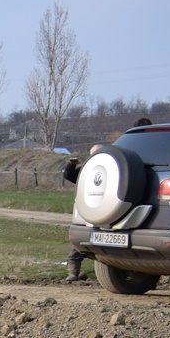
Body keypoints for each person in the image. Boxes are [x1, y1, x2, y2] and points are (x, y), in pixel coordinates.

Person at [61, 118, 151, 281]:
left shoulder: (114, 168)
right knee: (83, 242)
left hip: (109, 209)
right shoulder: (91, 171)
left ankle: (126, 272)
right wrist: (71, 165)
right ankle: (73, 272)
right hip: (92, 209)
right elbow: (69, 175)